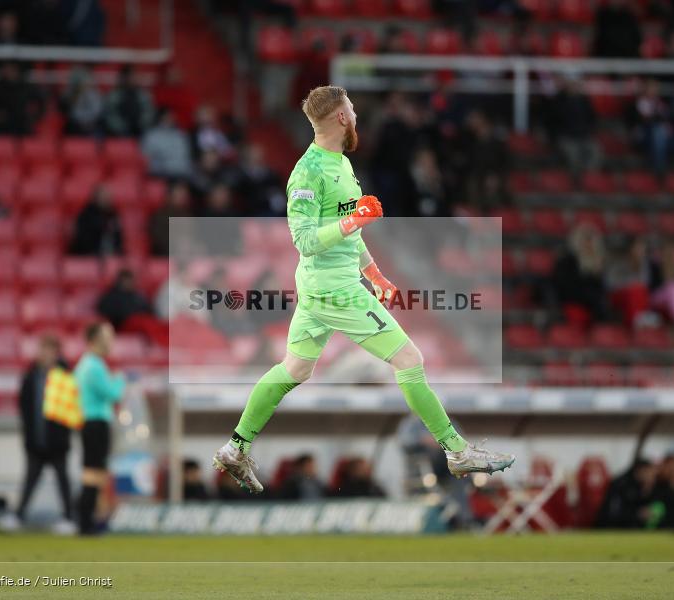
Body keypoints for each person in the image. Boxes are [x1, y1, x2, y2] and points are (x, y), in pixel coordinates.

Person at [212, 86, 514, 494]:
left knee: (295, 370)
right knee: (409, 358)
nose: (355, 115)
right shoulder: (308, 172)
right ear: (340, 117)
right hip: (331, 288)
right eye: (351, 109)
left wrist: (374, 273)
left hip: (328, 284)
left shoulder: (340, 164)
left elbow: (346, 235)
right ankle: (456, 450)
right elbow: (304, 239)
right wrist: (355, 222)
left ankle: (235, 447)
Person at [0, 336, 75, 534]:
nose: (44, 355)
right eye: (42, 350)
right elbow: (24, 407)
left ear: (56, 354)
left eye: (48, 350)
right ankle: (19, 516)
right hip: (35, 439)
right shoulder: (31, 377)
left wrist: (65, 434)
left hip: (58, 441)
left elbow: (70, 409)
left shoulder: (64, 377)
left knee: (63, 480)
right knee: (30, 480)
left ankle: (69, 517)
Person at [74, 322, 127, 535]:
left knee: (94, 471)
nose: (111, 342)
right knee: (94, 472)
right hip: (96, 422)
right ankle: (85, 521)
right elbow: (113, 394)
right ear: (96, 339)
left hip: (90, 422)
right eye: (108, 336)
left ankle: (87, 520)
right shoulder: (93, 366)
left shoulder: (86, 364)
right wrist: (120, 380)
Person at [550, 223, 607, 327]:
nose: (589, 244)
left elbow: (601, 287)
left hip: (591, 300)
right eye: (585, 240)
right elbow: (565, 285)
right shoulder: (567, 261)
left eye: (591, 241)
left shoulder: (596, 263)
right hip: (573, 298)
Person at [96, 268, 168, 346]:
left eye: (130, 280)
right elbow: (106, 311)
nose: (129, 283)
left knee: (154, 323)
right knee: (144, 323)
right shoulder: (111, 296)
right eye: (126, 280)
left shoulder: (137, 295)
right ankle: (165, 342)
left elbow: (148, 310)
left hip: (140, 320)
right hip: (124, 325)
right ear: (120, 281)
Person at [69, 185, 123, 256]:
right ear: (95, 198)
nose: (106, 199)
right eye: (103, 196)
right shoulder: (86, 215)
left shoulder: (113, 215)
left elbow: (118, 237)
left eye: (108, 197)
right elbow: (82, 239)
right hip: (87, 255)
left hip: (110, 254)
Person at [104, 65, 155, 137]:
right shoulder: (114, 95)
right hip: (119, 134)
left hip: (141, 132)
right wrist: (123, 128)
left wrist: (140, 125)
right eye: (129, 76)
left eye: (134, 76)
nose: (132, 79)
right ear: (123, 78)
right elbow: (110, 115)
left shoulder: (143, 95)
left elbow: (149, 112)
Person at [141, 109, 192, 180]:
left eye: (171, 117)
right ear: (160, 118)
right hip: (161, 174)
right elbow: (146, 160)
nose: (170, 119)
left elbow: (186, 157)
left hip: (182, 174)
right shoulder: (151, 136)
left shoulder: (181, 135)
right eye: (166, 117)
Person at [148, 182, 191, 256]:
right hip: (166, 255)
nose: (182, 198)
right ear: (169, 196)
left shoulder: (188, 215)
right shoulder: (161, 215)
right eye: (179, 195)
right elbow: (159, 240)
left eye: (184, 195)